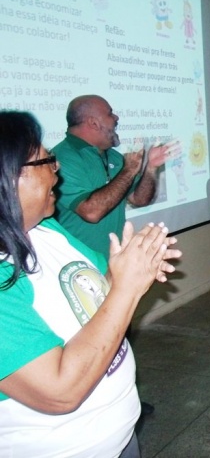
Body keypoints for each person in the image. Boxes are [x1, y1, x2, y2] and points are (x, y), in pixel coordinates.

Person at [0, 111, 181, 457]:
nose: (56, 168)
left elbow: (100, 291)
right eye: (46, 161)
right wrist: (126, 288)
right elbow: (60, 392)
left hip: (120, 439)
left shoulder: (46, 230)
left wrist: (131, 268)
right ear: (9, 177)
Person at [53, 95, 170, 258]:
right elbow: (91, 212)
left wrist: (151, 167)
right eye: (110, 113)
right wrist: (129, 170)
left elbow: (139, 199)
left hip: (114, 261)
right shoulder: (61, 159)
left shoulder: (114, 156)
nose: (116, 118)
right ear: (93, 123)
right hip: (78, 264)